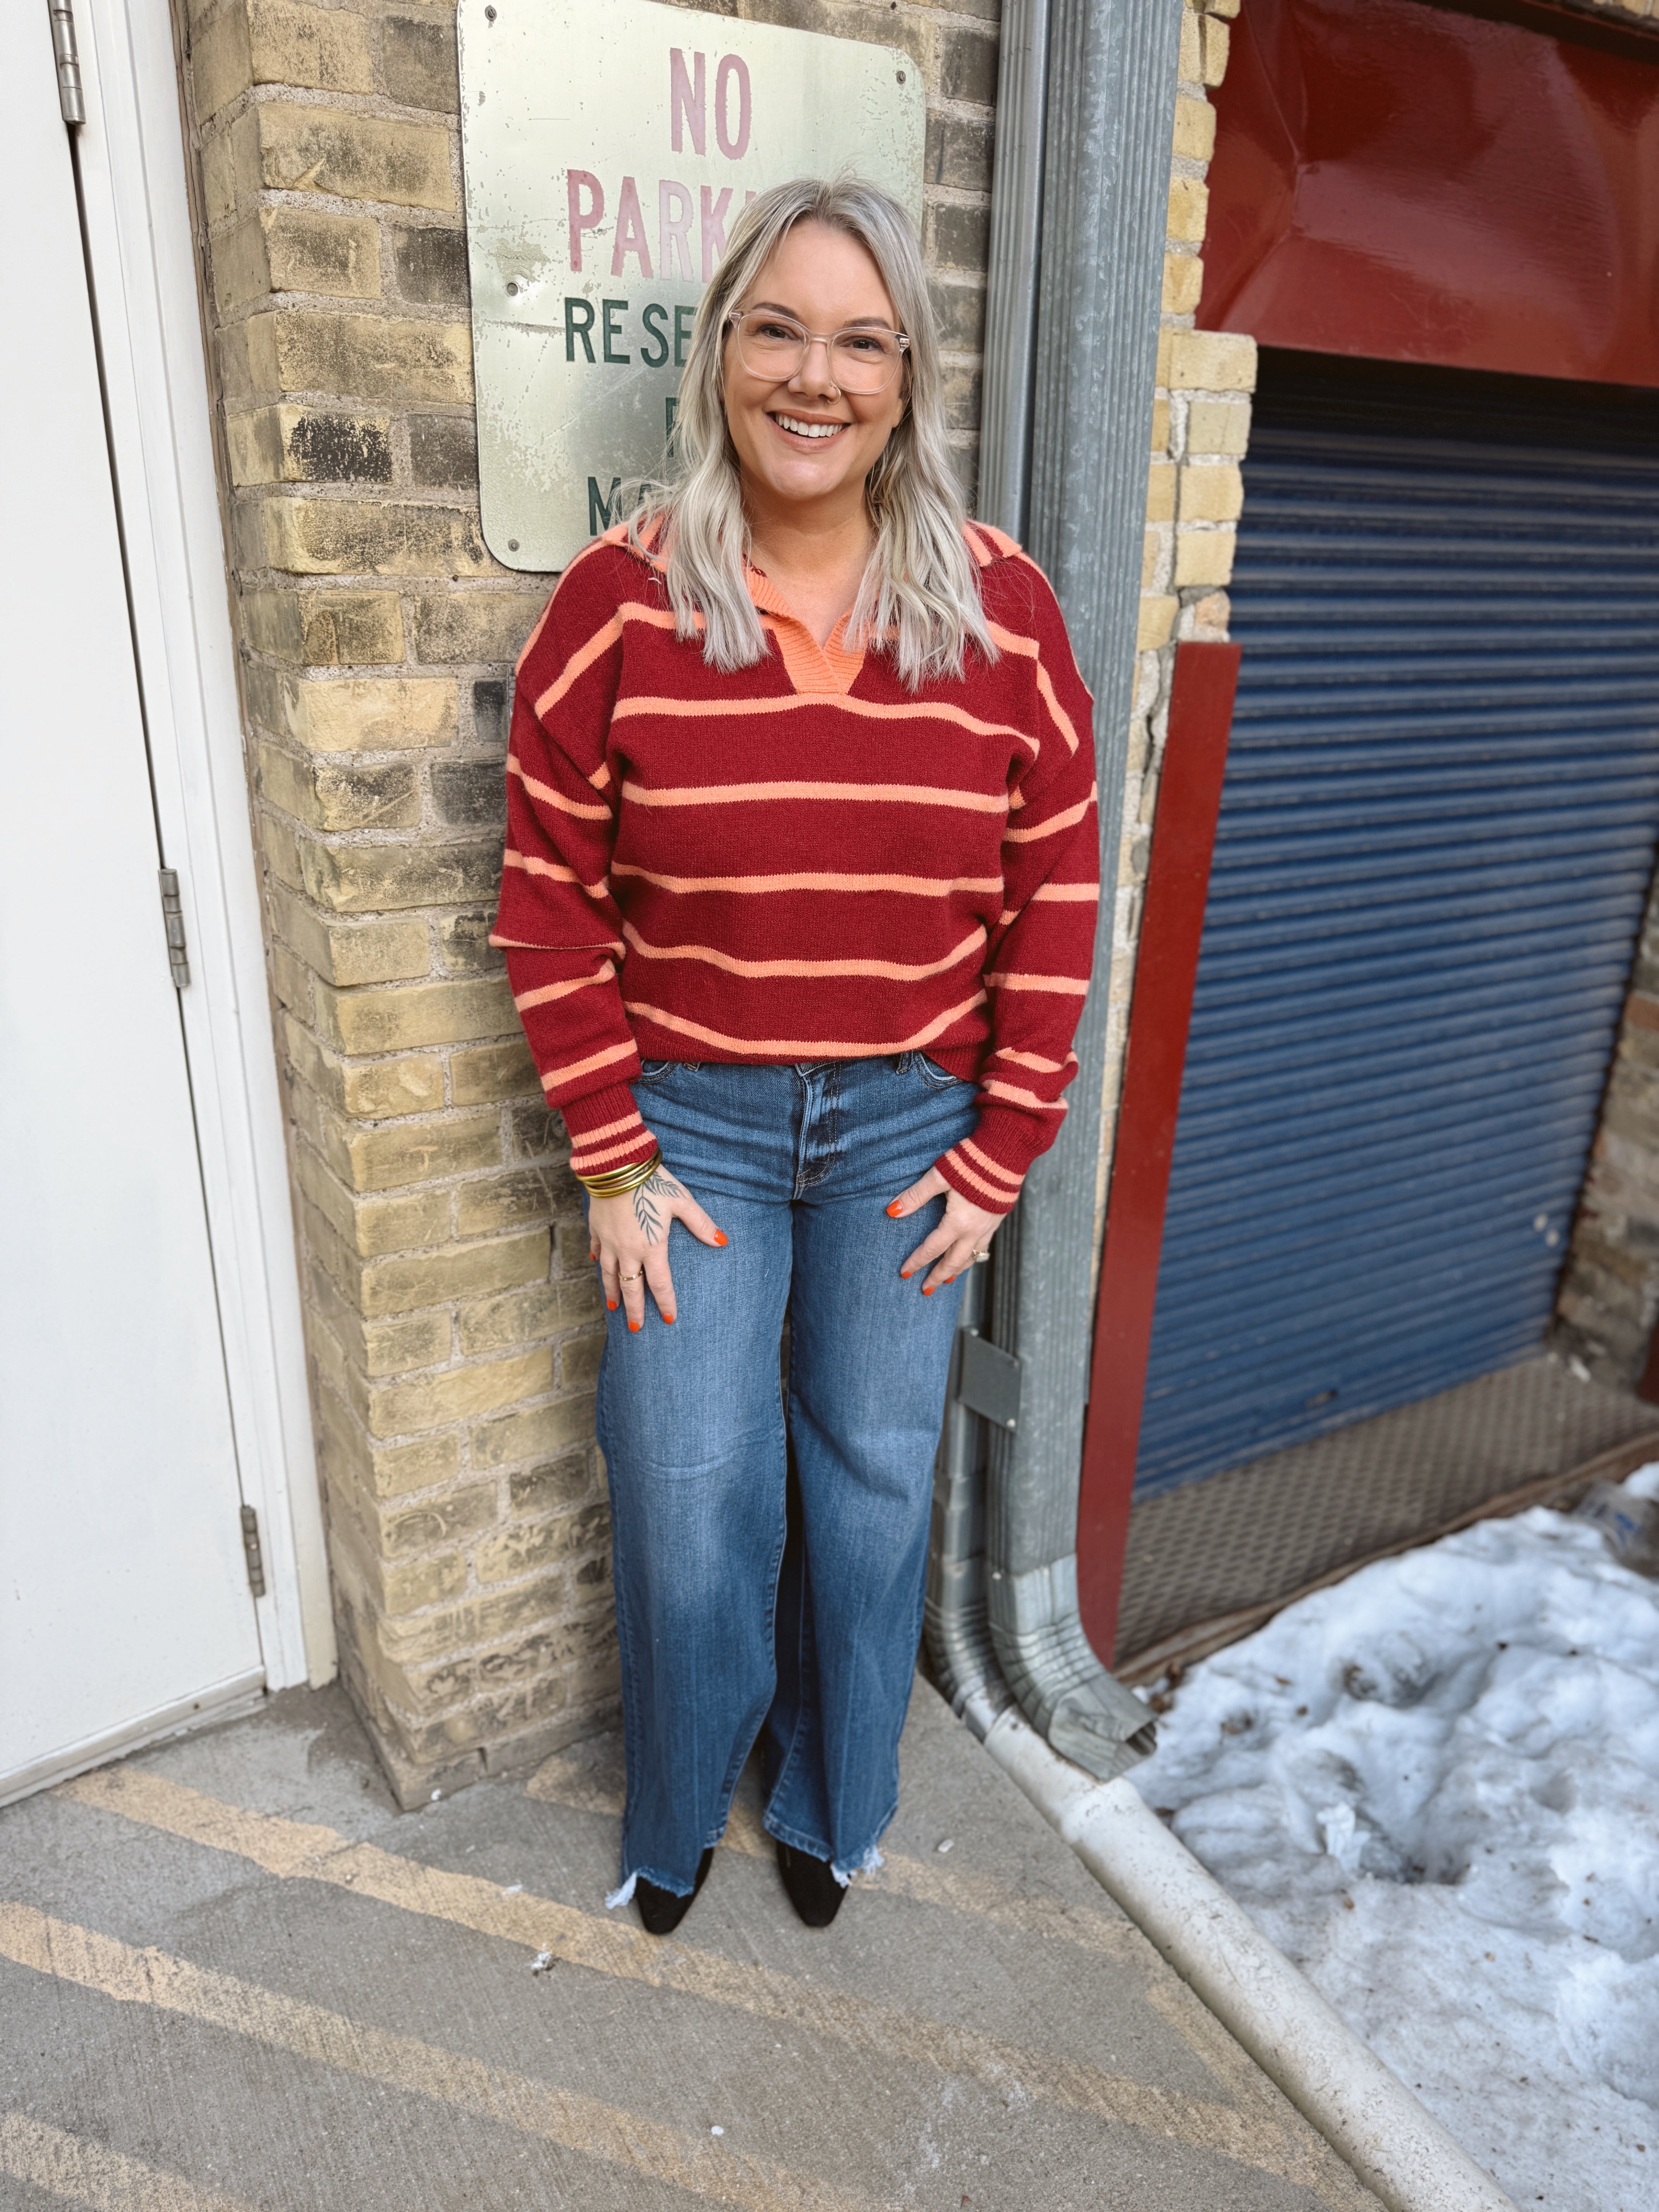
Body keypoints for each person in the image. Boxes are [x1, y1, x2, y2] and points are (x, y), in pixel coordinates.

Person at [495, 175, 1097, 1935]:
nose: (813, 376)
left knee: (872, 1484)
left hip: (911, 1126)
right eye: (777, 329)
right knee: (687, 1491)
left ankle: (840, 1798)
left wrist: (1002, 1155)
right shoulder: (619, 602)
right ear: (720, 357)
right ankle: (677, 1816)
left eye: (859, 339)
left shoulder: (1002, 613)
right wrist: (611, 1151)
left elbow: (1056, 890)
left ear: (909, 376)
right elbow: (545, 898)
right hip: (693, 1134)